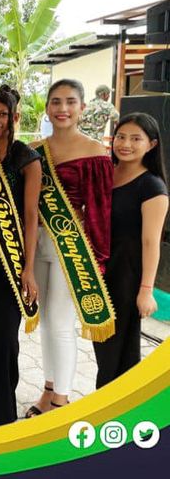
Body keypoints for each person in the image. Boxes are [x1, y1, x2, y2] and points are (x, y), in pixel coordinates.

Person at [26, 79, 114, 417]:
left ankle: (61, 401)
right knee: (45, 323)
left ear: (82, 108)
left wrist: (98, 260)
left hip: (71, 248)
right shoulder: (33, 149)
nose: (62, 109)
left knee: (61, 323)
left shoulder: (95, 152)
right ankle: (48, 390)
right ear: (47, 108)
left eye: (70, 102)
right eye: (56, 102)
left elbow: (100, 211)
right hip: (36, 243)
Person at [0, 85, 42, 426]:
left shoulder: (27, 158)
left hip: (12, 260)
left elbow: (31, 216)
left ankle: (3, 410)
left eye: (2, 114)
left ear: (15, 117)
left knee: (5, 339)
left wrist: (29, 268)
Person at [93, 113, 168, 388]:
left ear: (152, 144)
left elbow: (151, 243)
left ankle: (114, 406)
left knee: (119, 355)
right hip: (101, 273)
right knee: (103, 348)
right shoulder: (107, 174)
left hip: (127, 277)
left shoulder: (152, 187)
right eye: (121, 137)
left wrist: (146, 290)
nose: (126, 144)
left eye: (136, 139)